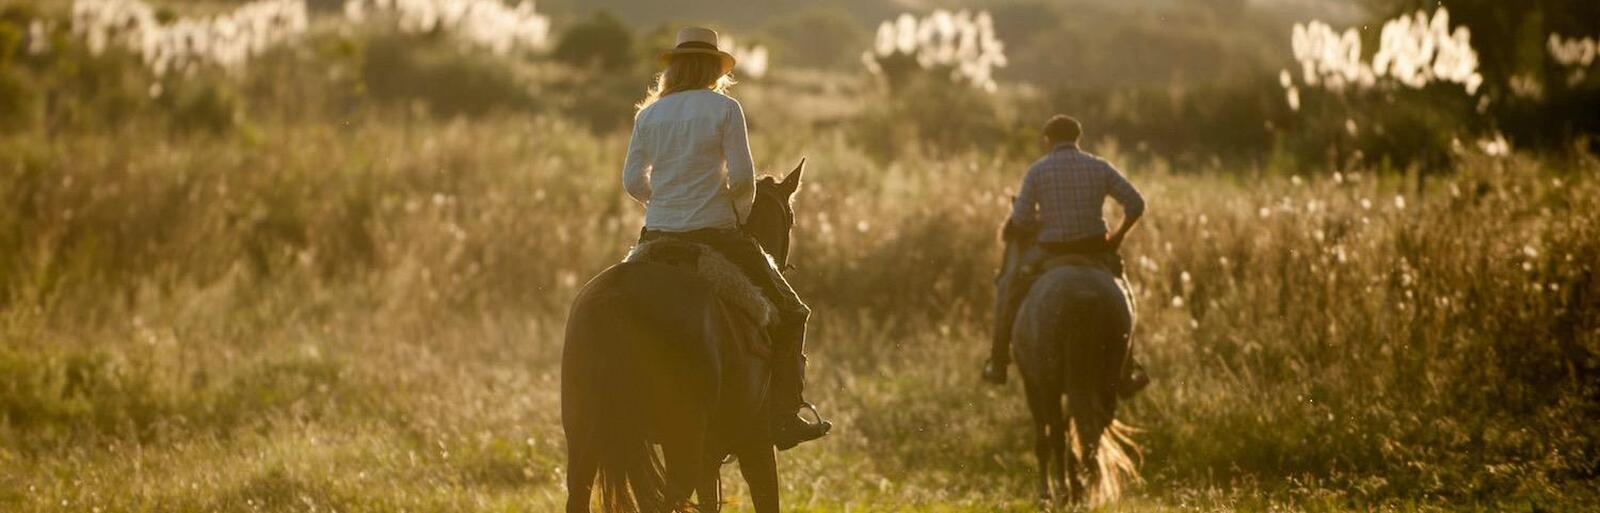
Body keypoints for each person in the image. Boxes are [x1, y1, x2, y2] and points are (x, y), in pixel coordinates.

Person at [622, 27, 831, 450]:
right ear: (715, 68)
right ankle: (786, 414)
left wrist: (663, 202)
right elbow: (740, 181)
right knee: (793, 312)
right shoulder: (725, 109)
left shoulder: (648, 115)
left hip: (655, 235)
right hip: (714, 233)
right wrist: (733, 216)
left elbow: (631, 181)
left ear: (674, 68)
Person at [984, 115, 1150, 394]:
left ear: (1048, 140)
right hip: (1096, 251)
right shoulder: (1099, 166)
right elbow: (1136, 204)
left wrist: (1042, 218)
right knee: (1125, 294)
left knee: (1010, 289)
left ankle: (998, 360)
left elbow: (1022, 220)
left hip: (1052, 253)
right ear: (1077, 138)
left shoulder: (1038, 171)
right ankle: (1128, 367)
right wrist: (1117, 238)